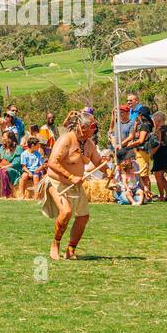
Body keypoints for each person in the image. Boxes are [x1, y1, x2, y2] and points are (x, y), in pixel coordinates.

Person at [40, 111, 102, 260]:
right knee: (66, 211)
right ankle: (55, 243)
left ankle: (71, 249)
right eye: (92, 127)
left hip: (75, 184)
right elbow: (52, 162)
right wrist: (70, 176)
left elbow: (98, 162)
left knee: (83, 217)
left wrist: (111, 173)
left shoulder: (88, 144)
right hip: (57, 181)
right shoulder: (66, 140)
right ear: (82, 127)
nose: (94, 130)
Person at [0, 130, 22, 198]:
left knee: (3, 171)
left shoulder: (18, 148)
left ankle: (7, 193)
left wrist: (6, 166)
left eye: (4, 137)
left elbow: (17, 162)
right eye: (2, 137)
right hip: (3, 167)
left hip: (14, 169)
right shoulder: (2, 147)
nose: (2, 139)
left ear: (10, 138)